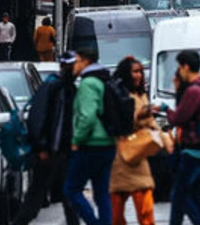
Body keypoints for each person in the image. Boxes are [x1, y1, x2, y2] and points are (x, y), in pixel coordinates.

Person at [14, 53, 79, 225]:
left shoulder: (69, 88)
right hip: (50, 151)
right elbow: (38, 117)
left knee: (67, 192)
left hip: (63, 151)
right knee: (37, 193)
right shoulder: (53, 87)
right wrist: (42, 146)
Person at [165, 49, 200, 225]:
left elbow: (178, 118)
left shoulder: (194, 91)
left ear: (186, 67)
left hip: (194, 149)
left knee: (179, 195)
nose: (179, 71)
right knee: (197, 196)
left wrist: (164, 109)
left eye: (180, 67)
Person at [65, 46, 116, 225]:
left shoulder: (88, 83)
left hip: (91, 144)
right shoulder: (104, 79)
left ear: (85, 61)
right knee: (102, 192)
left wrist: (76, 139)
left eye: (77, 61)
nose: (75, 65)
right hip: (108, 143)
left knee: (71, 189)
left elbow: (87, 116)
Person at [109, 56, 157, 225]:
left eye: (140, 72)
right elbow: (128, 119)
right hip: (122, 155)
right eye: (135, 72)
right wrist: (142, 116)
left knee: (145, 206)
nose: (138, 76)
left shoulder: (141, 94)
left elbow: (150, 122)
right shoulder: (119, 95)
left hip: (138, 154)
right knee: (116, 210)